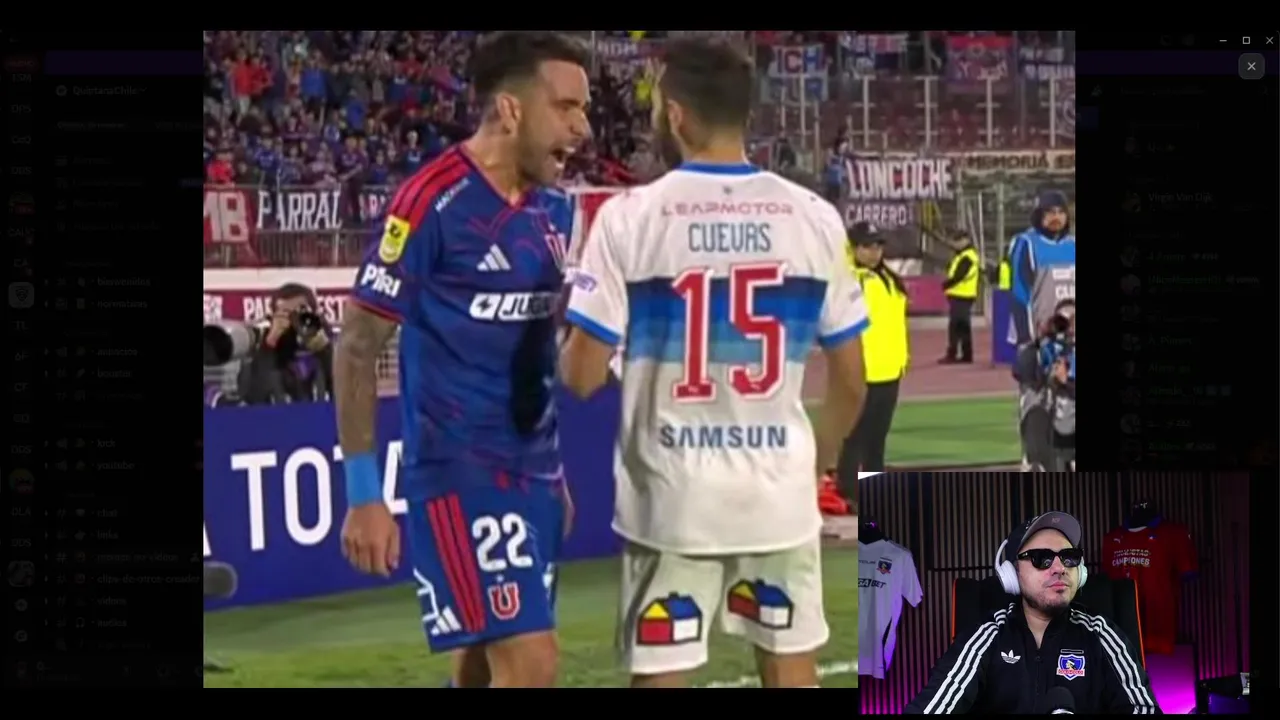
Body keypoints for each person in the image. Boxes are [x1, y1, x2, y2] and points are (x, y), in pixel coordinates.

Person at [559, 36, 870, 688]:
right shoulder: (813, 216)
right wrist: (817, 460)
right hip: (777, 492)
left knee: (663, 670)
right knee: (791, 668)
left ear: (675, 115)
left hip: (670, 496)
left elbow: (581, 376)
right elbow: (851, 376)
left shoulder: (629, 218)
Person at [332, 31, 589, 688]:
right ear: (510, 109)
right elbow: (358, 345)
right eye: (566, 107)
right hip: (457, 470)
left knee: (480, 662)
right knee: (531, 663)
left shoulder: (556, 209)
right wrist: (364, 493)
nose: (583, 128)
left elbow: (534, 348)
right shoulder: (431, 201)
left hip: (532, 474)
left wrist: (553, 471)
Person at [904, 512, 1160, 714]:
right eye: (1041, 558)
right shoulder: (987, 635)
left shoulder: (1101, 633)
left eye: (1069, 557)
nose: (1059, 568)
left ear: (1080, 571)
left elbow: (1142, 708)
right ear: (1012, 573)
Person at [836, 221, 909, 487]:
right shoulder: (848, 279)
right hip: (863, 372)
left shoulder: (888, 278)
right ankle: (848, 491)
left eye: (878, 245)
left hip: (890, 370)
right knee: (855, 438)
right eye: (867, 246)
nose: (874, 251)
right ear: (853, 248)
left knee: (877, 439)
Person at [1007, 192, 1076, 470]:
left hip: (1070, 339)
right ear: (1039, 216)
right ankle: (1033, 458)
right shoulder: (1026, 245)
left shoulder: (1073, 245)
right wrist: (1028, 342)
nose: (1056, 217)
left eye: (1060, 212)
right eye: (1050, 212)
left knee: (1068, 402)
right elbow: (1020, 294)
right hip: (1039, 339)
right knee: (1035, 399)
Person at [235, 283, 334, 405]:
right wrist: (270, 343)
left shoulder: (329, 347)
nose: (294, 320)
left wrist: (324, 349)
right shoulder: (261, 349)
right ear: (273, 317)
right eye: (286, 313)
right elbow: (252, 397)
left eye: (301, 312)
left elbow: (345, 390)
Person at [939, 229, 980, 364]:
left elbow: (959, 275)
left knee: (956, 326)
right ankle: (966, 354)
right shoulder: (963, 255)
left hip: (962, 294)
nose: (955, 244)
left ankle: (953, 353)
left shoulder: (967, 257)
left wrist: (946, 285)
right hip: (962, 294)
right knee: (962, 326)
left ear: (965, 240)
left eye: (957, 241)